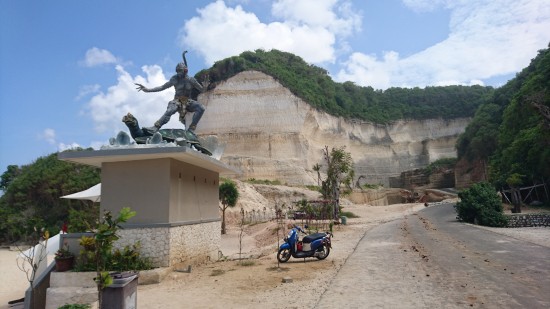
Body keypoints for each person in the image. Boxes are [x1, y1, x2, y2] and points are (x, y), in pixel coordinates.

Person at [135, 55, 207, 133]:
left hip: (188, 101)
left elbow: (202, 90)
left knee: (201, 108)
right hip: (177, 100)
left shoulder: (191, 80)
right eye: (177, 71)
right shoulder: (175, 79)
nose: (178, 73)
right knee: (170, 110)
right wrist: (148, 90)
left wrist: (205, 87)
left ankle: (191, 129)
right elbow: (162, 87)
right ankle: (156, 127)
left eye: (180, 71)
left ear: (185, 71)